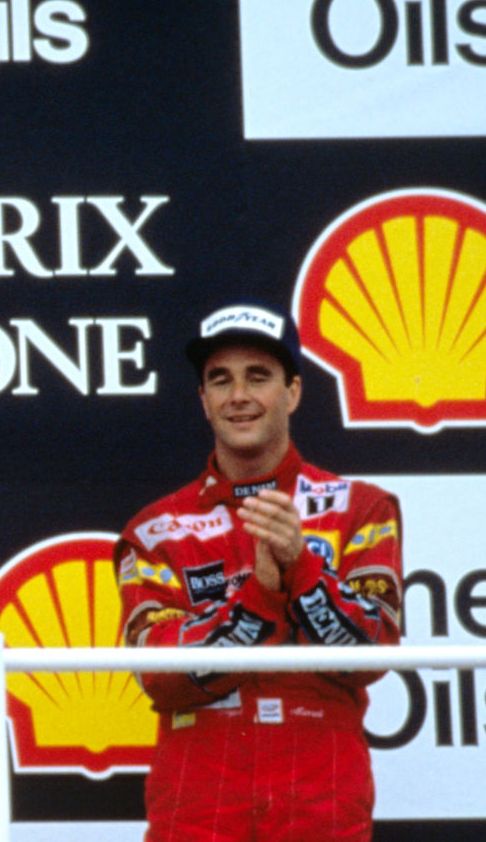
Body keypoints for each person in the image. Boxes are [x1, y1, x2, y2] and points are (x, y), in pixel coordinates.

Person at [114, 301, 404, 842]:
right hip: (198, 804)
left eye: (259, 376)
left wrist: (303, 566)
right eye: (220, 380)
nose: (239, 396)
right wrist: (259, 597)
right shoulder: (154, 529)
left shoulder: (360, 507)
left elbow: (374, 651)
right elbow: (158, 675)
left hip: (321, 799)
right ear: (203, 401)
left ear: (293, 392)